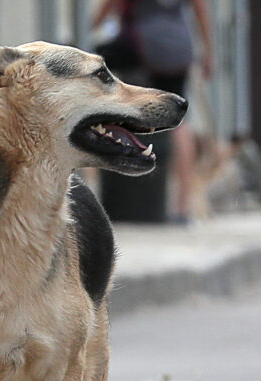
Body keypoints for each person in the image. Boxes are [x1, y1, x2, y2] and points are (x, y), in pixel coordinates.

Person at [93, 0, 213, 224]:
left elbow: (106, 10)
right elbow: (201, 10)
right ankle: (182, 208)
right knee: (180, 124)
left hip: (142, 46)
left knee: (123, 103)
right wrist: (208, 53)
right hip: (178, 49)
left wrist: (93, 29)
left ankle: (124, 197)